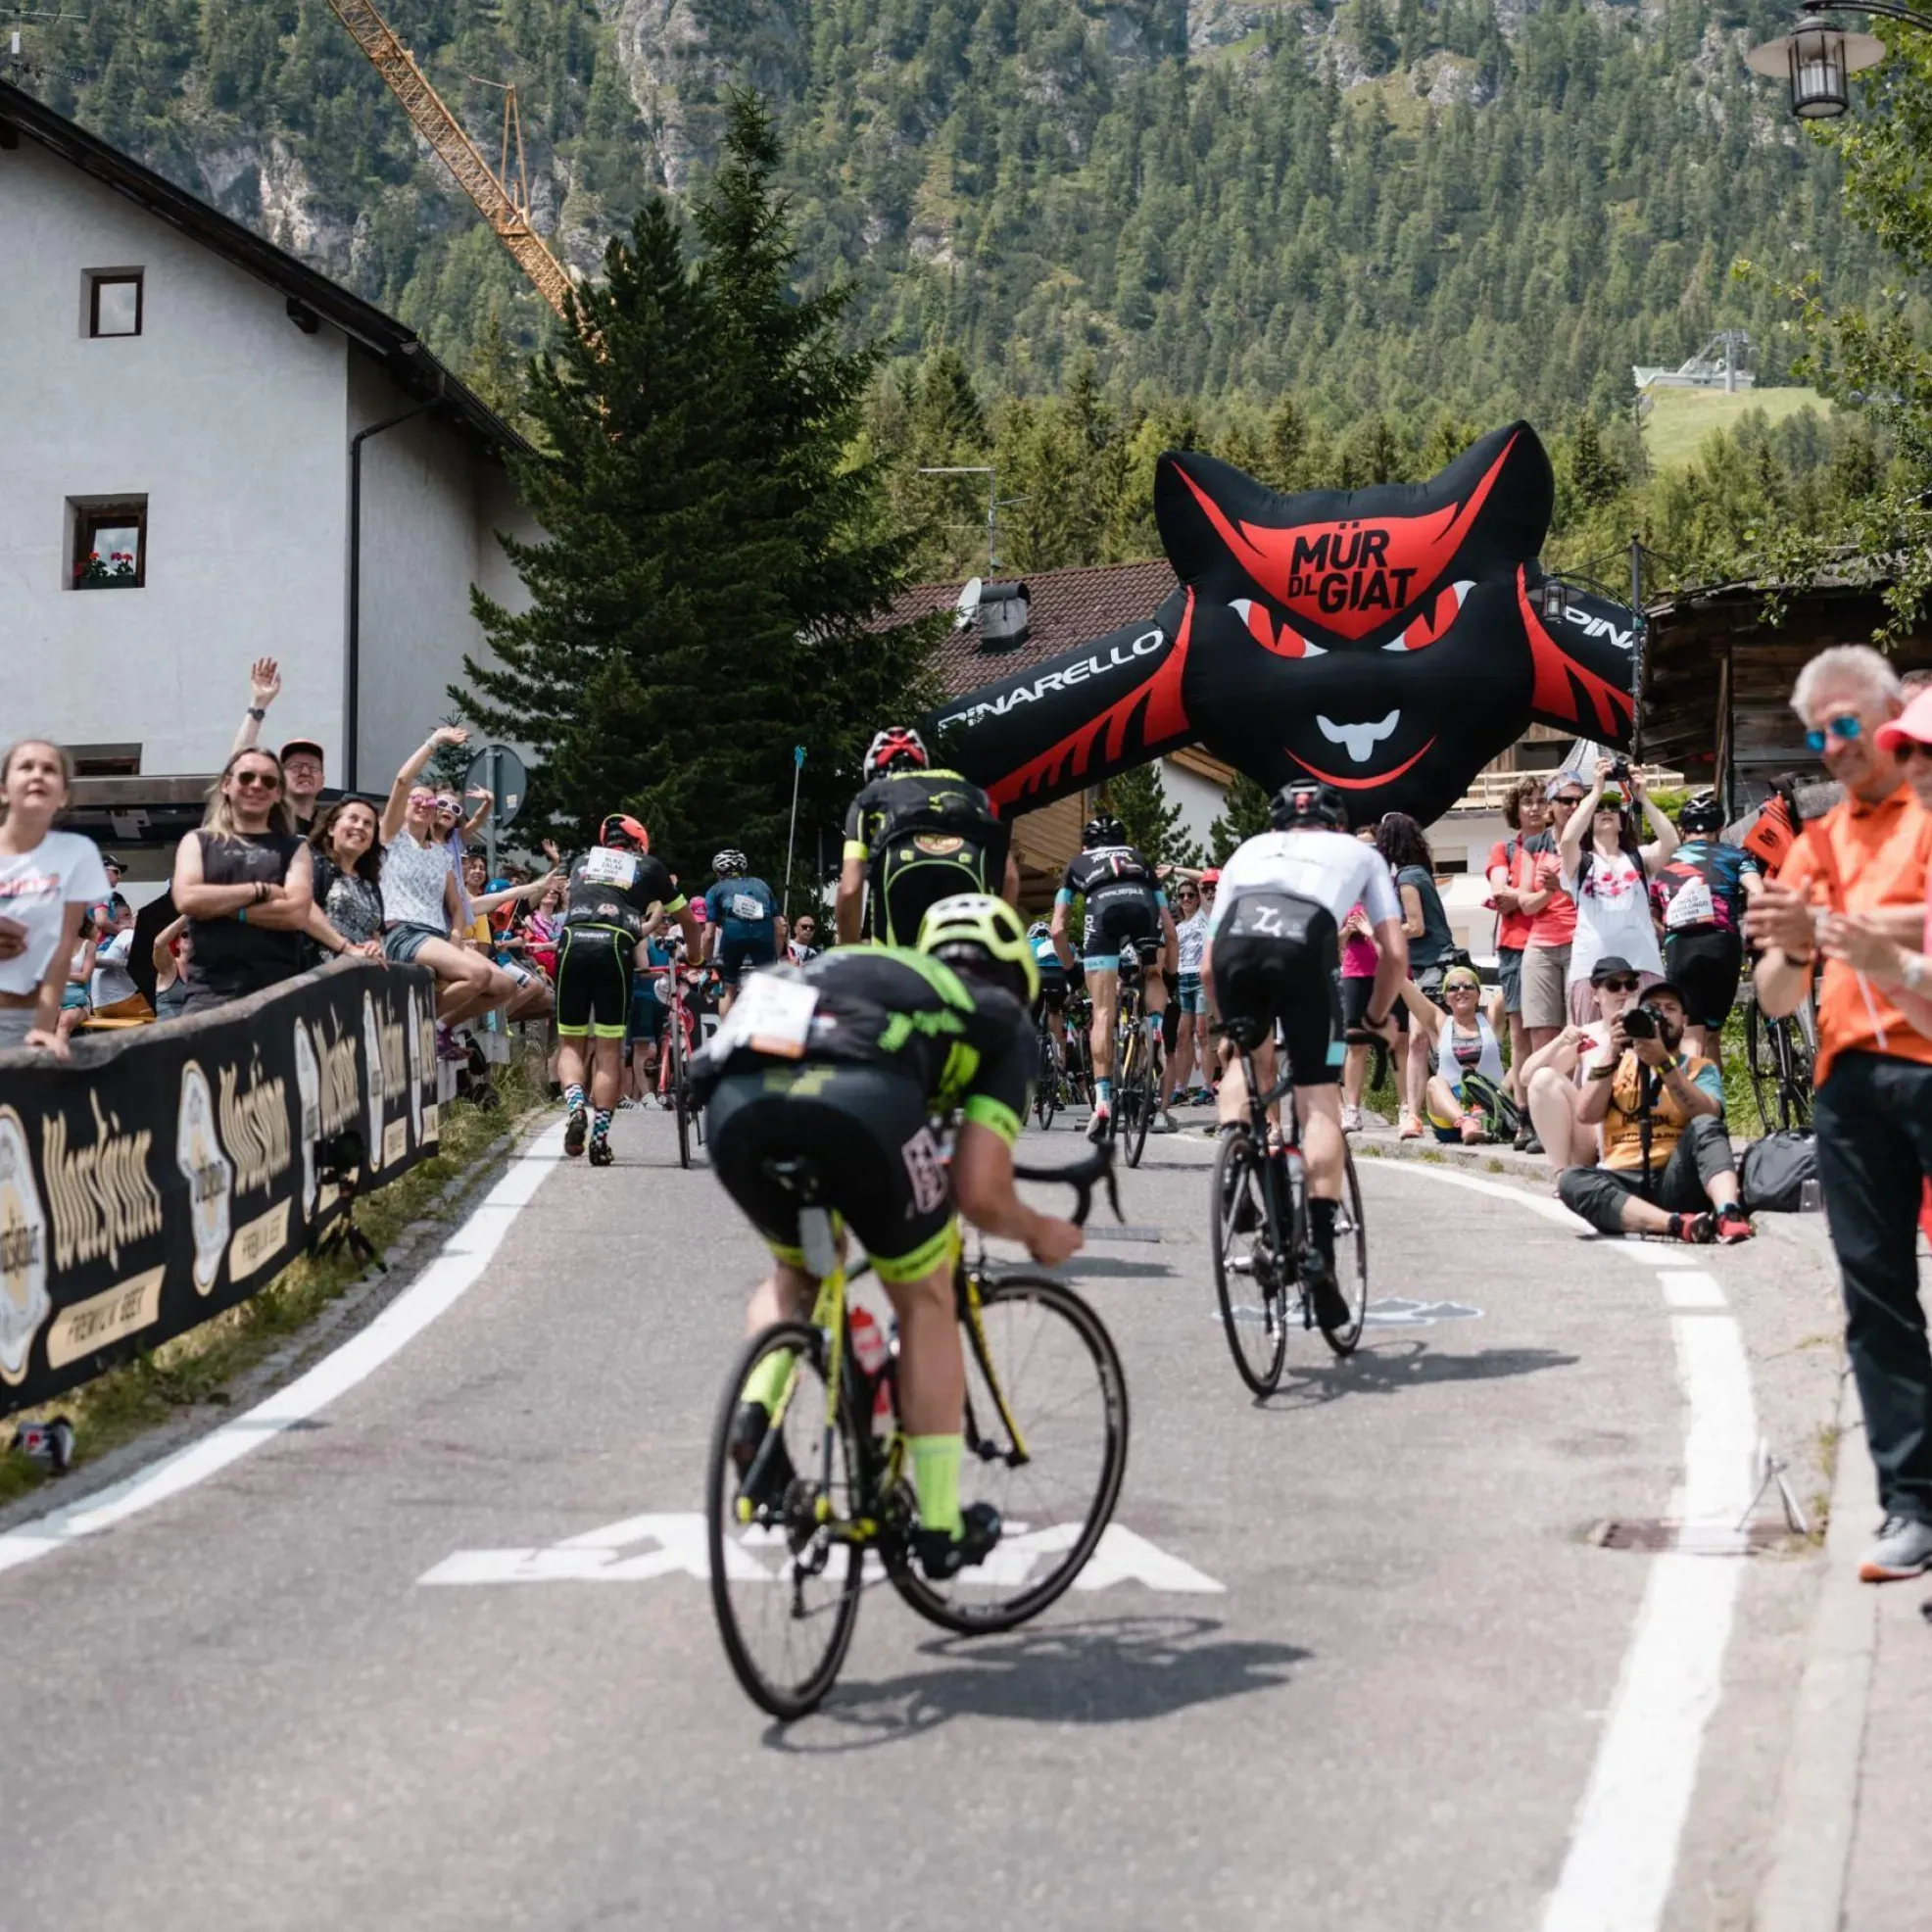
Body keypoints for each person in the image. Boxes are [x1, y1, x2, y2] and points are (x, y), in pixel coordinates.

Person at [695, 894, 1081, 1579]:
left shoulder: (860, 966)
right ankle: (938, 1525)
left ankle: (756, 1416)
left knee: (801, 1273)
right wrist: (1039, 1230)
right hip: (859, 1095)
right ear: (1018, 977)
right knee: (927, 1296)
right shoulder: (1001, 1019)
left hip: (734, 1098)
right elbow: (981, 1192)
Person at [1747, 646, 1932, 1582]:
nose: (1832, 747)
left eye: (1846, 725)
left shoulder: (1929, 821)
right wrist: (1784, 950)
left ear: (1892, 716)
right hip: (1850, 1084)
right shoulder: (1817, 845)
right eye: (1818, 734)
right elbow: (1778, 998)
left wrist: (1874, 941)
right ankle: (1911, 1509)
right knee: (1875, 1298)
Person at [1203, 781, 1409, 1319]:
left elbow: (1205, 967)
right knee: (1319, 1103)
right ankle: (1318, 1252)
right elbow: (1395, 952)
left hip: (1235, 947)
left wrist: (1230, 1025)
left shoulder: (1247, 851)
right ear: (1336, 822)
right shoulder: (1361, 853)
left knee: (1248, 1063)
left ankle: (1233, 1160)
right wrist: (1375, 1015)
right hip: (1303, 946)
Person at [555, 813, 705, 1165]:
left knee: (571, 1044)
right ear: (639, 842)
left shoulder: (582, 861)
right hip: (614, 945)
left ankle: (577, 1108)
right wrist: (695, 958)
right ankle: (600, 1140)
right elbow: (687, 921)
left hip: (573, 941)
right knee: (608, 1051)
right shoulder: (649, 866)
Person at [1555, 980, 1752, 1244]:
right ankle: (1675, 1225)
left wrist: (1663, 1064)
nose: (1660, 1015)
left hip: (1676, 1176)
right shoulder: (1615, 1066)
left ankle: (1728, 1213)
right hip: (1623, 1180)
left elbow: (1709, 1113)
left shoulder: (1699, 1067)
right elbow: (1585, 1114)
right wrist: (1612, 1051)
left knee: (1706, 1125)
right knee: (1570, 1179)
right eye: (1652, 1009)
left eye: (1670, 1008)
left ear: (1684, 1021)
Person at [377, 727, 515, 1052]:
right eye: (419, 799)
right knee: (476, 975)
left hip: (435, 935)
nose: (424, 804)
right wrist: (434, 741)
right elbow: (401, 782)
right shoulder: (392, 839)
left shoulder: (441, 855)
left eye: (430, 801)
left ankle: (439, 1026)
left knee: (504, 986)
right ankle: (413, 1022)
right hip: (404, 931)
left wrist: (455, 935)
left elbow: (457, 907)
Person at [1050, 813, 1179, 1142]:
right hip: (1144, 910)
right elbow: (1169, 928)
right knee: (1150, 973)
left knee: (1103, 1014)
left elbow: (1058, 929)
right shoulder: (1139, 858)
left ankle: (1103, 1101)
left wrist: (1071, 973)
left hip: (1102, 916)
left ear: (1085, 845)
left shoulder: (1077, 863)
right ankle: (1155, 1026)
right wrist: (1169, 978)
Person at [836, 726, 1018, 945]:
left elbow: (850, 888)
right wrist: (996, 939)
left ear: (873, 772)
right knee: (969, 966)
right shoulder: (970, 791)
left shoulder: (868, 797)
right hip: (967, 862)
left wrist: (848, 953)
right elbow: (1009, 877)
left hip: (900, 865)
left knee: (897, 966)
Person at [171, 748, 314, 1015]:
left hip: (278, 996)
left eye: (269, 781)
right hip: (210, 995)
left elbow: (296, 913)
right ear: (227, 784)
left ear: (278, 793)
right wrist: (260, 891)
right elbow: (187, 899)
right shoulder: (198, 841)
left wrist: (219, 907)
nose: (257, 785)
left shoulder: (294, 848)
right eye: (246, 777)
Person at [0, 740, 109, 1056]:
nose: (38, 775)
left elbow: (61, 953)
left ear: (62, 795)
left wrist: (42, 1028)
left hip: (23, 1018)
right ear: (4, 789)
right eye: (26, 766)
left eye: (49, 769)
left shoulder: (78, 854)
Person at [1557, 758, 1678, 1023]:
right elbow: (1567, 839)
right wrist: (1596, 791)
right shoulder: (1580, 861)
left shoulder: (1640, 858)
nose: (1606, 810)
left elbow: (1671, 842)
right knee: (1589, 1049)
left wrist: (1643, 798)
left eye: (1613, 806)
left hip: (1642, 967)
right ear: (1589, 819)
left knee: (1648, 1047)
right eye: (1600, 808)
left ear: (1623, 821)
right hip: (1590, 970)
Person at [1649, 792, 1763, 1061]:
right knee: (1712, 1034)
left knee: (1691, 1036)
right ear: (1720, 828)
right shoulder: (1736, 856)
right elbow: (1757, 892)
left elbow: (1651, 915)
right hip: (1722, 944)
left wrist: (1667, 932)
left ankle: (1696, 1101)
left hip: (1681, 946)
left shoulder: (1664, 862)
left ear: (1682, 829)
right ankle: (1714, 1102)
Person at [1519, 954, 1645, 1175]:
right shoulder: (1587, 1035)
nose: (1624, 991)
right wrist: (1559, 1040)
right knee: (1544, 1078)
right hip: (1593, 1132)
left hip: (1636, 1128)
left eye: (1630, 984)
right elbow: (1527, 1077)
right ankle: (1563, 1177)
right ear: (1594, 994)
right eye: (1614, 985)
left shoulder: (1650, 1030)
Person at [1376, 811, 1452, 1137]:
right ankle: (1424, 1112)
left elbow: (1416, 926)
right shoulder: (1420, 873)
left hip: (1431, 967)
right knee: (1429, 1041)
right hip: (1438, 964)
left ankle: (1416, 1114)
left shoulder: (1407, 877)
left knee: (1423, 1040)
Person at [1485, 777, 1556, 1088]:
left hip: (1557, 942)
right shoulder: (1504, 849)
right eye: (1528, 801)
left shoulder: (1562, 845)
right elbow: (1500, 895)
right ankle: (1524, 1114)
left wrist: (1520, 896)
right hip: (1515, 945)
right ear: (1516, 808)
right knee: (1519, 1032)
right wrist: (1540, 893)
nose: (1535, 808)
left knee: (1556, 1030)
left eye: (1542, 801)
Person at [1400, 964, 1515, 1144]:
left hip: (1491, 1105)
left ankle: (1513, 1120)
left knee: (1518, 1070)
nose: (1461, 991)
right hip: (1449, 1116)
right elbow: (1407, 990)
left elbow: (1513, 980)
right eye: (1453, 988)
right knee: (1434, 1083)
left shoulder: (1491, 1019)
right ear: (1446, 998)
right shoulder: (1440, 1023)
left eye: (1468, 986)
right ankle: (1466, 1122)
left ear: (1478, 995)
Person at [1521, 773, 1587, 1053]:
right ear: (1551, 805)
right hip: (1540, 945)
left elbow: (1597, 898)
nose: (1573, 806)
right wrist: (1549, 892)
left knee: (1579, 1032)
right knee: (1542, 1033)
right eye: (1566, 800)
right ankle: (1542, 1094)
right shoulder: (1535, 844)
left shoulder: (1592, 843)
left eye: (1579, 801)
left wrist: (1561, 888)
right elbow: (1525, 903)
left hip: (1581, 941)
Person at [306, 797, 387, 962]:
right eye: (353, 818)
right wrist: (346, 948)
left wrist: (375, 946)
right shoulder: (315, 865)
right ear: (331, 828)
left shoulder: (370, 886)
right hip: (322, 972)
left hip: (361, 976)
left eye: (368, 824)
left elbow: (375, 935)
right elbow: (304, 910)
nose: (360, 827)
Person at [703, 850, 783, 1016]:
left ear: (718, 872)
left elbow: (709, 934)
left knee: (728, 987)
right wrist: (775, 955)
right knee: (767, 987)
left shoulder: (715, 889)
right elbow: (780, 927)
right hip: (764, 932)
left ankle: (726, 1036)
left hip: (733, 932)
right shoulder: (762, 884)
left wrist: (707, 963)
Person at [1167, 877, 1212, 1108]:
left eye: (1191, 895)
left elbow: (1201, 875)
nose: (1186, 899)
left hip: (1200, 980)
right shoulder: (1178, 927)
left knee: (1203, 1035)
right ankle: (1180, 1088)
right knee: (1182, 1037)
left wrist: (1174, 870)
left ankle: (1207, 1087)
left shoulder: (1205, 918)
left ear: (1198, 898)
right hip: (1183, 981)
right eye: (1182, 895)